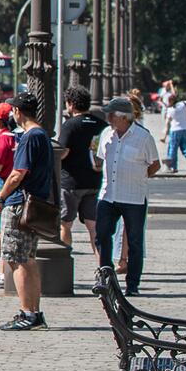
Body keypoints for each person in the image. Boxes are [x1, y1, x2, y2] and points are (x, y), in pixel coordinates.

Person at [0, 90, 58, 330]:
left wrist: (1, 196)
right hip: (34, 204)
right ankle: (35, 312)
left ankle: (26, 313)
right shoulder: (43, 135)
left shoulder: (30, 137)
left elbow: (18, 173)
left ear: (18, 112)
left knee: (15, 259)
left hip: (19, 203)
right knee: (29, 259)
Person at [97, 95, 162, 296]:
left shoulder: (143, 137)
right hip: (108, 194)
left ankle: (132, 285)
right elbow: (100, 159)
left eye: (111, 115)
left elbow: (155, 164)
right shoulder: (106, 134)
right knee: (102, 236)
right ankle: (106, 278)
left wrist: (139, 178)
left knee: (134, 241)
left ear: (124, 117)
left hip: (133, 196)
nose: (108, 119)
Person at [57, 85, 106, 260]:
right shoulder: (101, 125)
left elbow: (63, 152)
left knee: (65, 224)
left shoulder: (70, 125)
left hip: (71, 182)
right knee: (94, 227)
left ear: (71, 104)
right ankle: (103, 267)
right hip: (95, 181)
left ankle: (63, 262)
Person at [167, 89, 186, 172]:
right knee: (185, 146)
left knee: (173, 148)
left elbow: (168, 121)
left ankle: (173, 167)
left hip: (175, 130)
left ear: (171, 101)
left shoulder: (170, 109)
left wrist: (165, 133)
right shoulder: (183, 104)